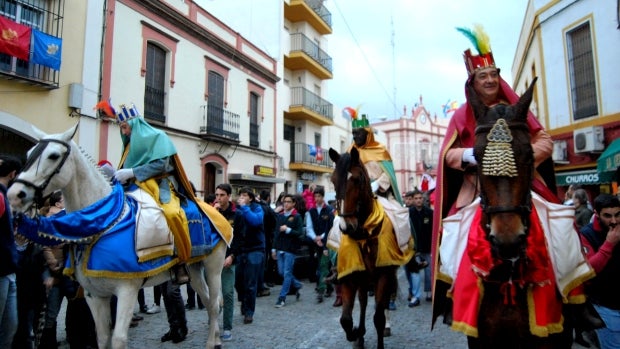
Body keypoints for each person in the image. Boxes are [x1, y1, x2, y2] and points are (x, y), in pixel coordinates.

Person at [432, 25, 595, 334]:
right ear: (473, 81)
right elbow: (447, 155)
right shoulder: (460, 115)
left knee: (562, 227)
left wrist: (522, 156)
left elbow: (544, 141)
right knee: (452, 234)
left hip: (523, 184)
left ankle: (577, 302)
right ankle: (454, 299)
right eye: (483, 76)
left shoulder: (517, 108)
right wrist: (469, 156)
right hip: (479, 188)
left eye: (494, 74)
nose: (490, 80)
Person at [103, 103, 191, 284]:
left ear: (135, 125)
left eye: (125, 127)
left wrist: (132, 172)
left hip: (161, 185)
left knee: (172, 214)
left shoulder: (159, 137)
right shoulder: (128, 146)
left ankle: (181, 260)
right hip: (133, 187)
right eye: (121, 128)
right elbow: (127, 168)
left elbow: (164, 165)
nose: (124, 132)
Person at [346, 109, 413, 311]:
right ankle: (337, 263)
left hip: (381, 195)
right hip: (357, 198)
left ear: (368, 134)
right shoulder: (351, 152)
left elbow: (389, 175)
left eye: (358, 133)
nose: (355, 137)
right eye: (353, 134)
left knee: (399, 217)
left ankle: (408, 251)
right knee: (338, 222)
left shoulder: (381, 150)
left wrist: (377, 185)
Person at [579, 194, 620, 349]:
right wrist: (609, 244)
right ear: (596, 213)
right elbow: (589, 270)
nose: (614, 221)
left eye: (617, 214)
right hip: (606, 306)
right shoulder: (586, 234)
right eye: (607, 216)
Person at [213, 183, 245, 341]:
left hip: (228, 259)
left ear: (229, 196)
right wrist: (215, 214)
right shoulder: (213, 212)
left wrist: (232, 257)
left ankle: (227, 327)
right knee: (211, 294)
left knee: (228, 293)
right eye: (217, 195)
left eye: (222, 195)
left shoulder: (237, 214)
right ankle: (213, 321)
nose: (218, 198)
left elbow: (240, 239)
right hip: (212, 259)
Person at [234, 187, 265, 325]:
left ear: (250, 198)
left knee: (251, 283)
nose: (241, 197)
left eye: (244, 195)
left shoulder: (257, 208)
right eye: (240, 195)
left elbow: (255, 221)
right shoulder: (238, 209)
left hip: (255, 248)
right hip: (241, 249)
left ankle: (249, 312)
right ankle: (243, 300)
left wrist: (245, 208)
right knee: (238, 281)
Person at [0, 154, 21, 348]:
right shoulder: (0, 196)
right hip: (2, 269)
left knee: (10, 325)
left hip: (8, 269)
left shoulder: (4, 196)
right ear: (13, 174)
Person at [272, 194, 305, 308]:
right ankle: (297, 284)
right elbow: (276, 233)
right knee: (282, 272)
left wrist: (288, 230)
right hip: (280, 247)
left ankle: (282, 298)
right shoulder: (280, 216)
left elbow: (300, 233)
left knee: (286, 273)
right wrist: (273, 248)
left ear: (293, 203)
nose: (285, 204)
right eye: (284, 202)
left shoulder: (297, 216)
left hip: (290, 248)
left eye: (288, 202)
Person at [305, 186, 335, 303]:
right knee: (321, 266)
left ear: (323, 197)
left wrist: (322, 237)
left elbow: (331, 227)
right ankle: (329, 287)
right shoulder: (311, 211)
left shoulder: (329, 210)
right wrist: (314, 237)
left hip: (327, 242)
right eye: (315, 196)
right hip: (316, 243)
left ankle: (320, 291)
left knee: (323, 266)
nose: (316, 198)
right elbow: (309, 227)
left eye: (319, 196)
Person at [404, 189, 432, 307]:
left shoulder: (430, 213)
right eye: (416, 198)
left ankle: (429, 292)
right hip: (413, 249)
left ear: (423, 199)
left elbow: (433, 230)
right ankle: (416, 296)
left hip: (427, 246)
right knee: (415, 272)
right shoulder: (408, 213)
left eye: (420, 198)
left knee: (428, 271)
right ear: (413, 200)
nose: (418, 200)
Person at [257, 189, 277, 296]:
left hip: (258, 238)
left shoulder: (256, 207)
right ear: (268, 198)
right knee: (263, 263)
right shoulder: (267, 209)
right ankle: (260, 286)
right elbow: (275, 222)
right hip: (265, 238)